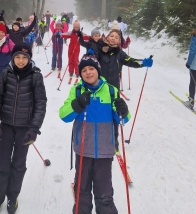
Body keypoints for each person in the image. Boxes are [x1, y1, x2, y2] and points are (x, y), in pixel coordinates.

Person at [59, 51, 130, 214]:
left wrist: (123, 111)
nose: (88, 72)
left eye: (91, 68)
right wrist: (78, 104)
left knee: (104, 193)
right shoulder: (77, 91)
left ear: (98, 70)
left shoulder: (111, 91)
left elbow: (122, 120)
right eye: (84, 70)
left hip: (105, 151)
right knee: (82, 192)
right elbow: (64, 115)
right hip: (83, 149)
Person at [0, 42, 47, 214]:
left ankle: (12, 197)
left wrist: (34, 128)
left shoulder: (36, 76)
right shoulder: (6, 73)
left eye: (24, 58)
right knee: (2, 164)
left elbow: (40, 104)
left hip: (25, 128)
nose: (20, 61)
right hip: (6, 126)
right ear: (12, 58)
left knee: (19, 165)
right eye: (17, 57)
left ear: (29, 58)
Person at [96, 29, 153, 150]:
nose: (113, 38)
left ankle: (114, 139)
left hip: (113, 91)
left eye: (116, 37)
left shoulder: (120, 54)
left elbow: (131, 61)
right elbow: (91, 60)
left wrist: (143, 62)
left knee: (115, 115)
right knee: (98, 112)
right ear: (107, 37)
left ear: (119, 41)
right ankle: (97, 136)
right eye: (111, 36)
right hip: (98, 89)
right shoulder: (100, 50)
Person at [185, 19, 196, 109]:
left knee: (193, 82)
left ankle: (191, 102)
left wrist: (189, 63)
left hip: (195, 64)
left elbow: (193, 51)